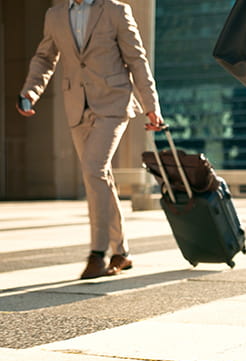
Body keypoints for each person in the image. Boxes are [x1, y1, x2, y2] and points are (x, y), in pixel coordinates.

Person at [17, 0, 164, 279]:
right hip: (77, 105)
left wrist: (151, 106)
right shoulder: (55, 15)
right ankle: (121, 251)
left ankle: (98, 253)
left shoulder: (115, 11)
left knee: (93, 169)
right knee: (99, 176)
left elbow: (136, 59)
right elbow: (45, 57)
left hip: (113, 103)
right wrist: (30, 92)